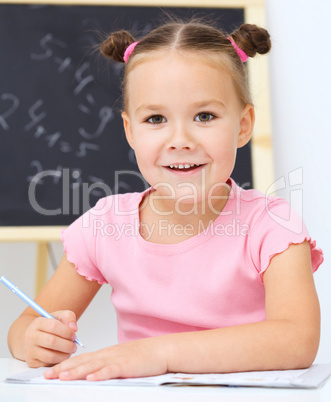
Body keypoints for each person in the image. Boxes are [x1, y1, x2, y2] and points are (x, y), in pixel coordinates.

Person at [8, 18, 323, 382]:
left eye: (204, 116)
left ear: (243, 124)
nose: (180, 139)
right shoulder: (106, 225)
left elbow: (297, 341)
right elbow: (25, 326)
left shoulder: (272, 225)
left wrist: (158, 353)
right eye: (156, 118)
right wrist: (33, 340)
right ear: (130, 130)